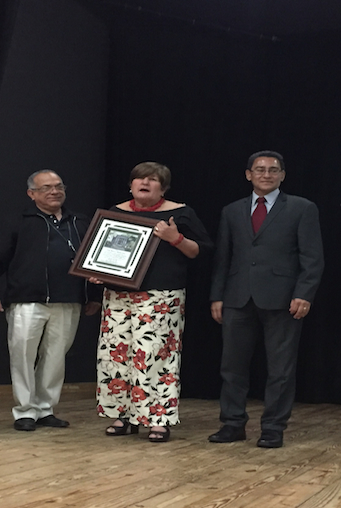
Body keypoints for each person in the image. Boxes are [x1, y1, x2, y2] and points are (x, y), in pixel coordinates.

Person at [209, 151, 324, 448]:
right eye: (260, 170)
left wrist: (304, 293)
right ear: (248, 174)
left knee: (280, 369)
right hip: (237, 298)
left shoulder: (302, 208)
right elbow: (223, 258)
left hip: (283, 299)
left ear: (283, 175)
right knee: (231, 367)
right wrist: (217, 296)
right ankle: (232, 423)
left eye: (274, 170)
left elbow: (312, 258)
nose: (266, 174)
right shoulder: (231, 211)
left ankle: (273, 428)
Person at [96, 162, 212, 442]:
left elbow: (201, 251)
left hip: (161, 296)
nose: (144, 183)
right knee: (115, 356)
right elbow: (101, 251)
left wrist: (176, 238)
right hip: (118, 295)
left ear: (163, 187)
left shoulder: (180, 213)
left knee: (154, 355)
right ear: (130, 184)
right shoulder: (114, 212)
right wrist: (96, 272)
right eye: (139, 178)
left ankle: (157, 418)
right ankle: (122, 415)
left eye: (152, 179)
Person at [0, 170, 101, 431]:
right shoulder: (18, 220)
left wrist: (93, 296)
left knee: (56, 357)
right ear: (31, 193)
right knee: (22, 354)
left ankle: (45, 409)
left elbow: (95, 263)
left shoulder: (80, 222)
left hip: (69, 300)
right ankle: (24, 411)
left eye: (59, 186)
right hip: (26, 299)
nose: (54, 192)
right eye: (46, 187)